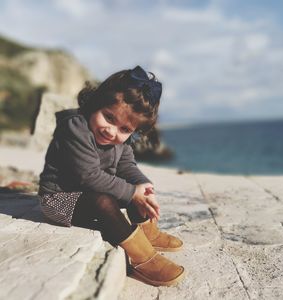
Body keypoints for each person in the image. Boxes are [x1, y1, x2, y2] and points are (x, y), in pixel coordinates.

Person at [38, 65, 185, 286]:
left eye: (125, 130)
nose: (112, 131)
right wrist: (131, 192)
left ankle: (149, 234)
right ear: (97, 103)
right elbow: (88, 176)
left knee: (133, 187)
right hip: (59, 200)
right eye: (108, 117)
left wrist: (142, 184)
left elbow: (127, 165)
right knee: (106, 200)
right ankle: (142, 259)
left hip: (88, 192)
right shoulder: (76, 127)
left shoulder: (119, 140)